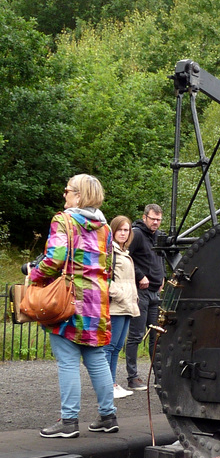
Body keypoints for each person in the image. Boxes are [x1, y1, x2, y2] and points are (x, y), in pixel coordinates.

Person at [29, 174, 118, 438]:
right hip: (97, 303)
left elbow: (55, 258)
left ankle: (68, 422)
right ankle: (108, 416)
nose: (64, 195)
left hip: (69, 301)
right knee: (97, 358)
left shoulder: (63, 220)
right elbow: (109, 267)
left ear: (78, 195)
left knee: (67, 362)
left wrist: (33, 275)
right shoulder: (106, 228)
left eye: (67, 190)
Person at [124, 203, 165, 391]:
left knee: (155, 335)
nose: (156, 222)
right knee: (136, 334)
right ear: (145, 217)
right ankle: (132, 377)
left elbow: (159, 258)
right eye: (153, 219)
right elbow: (126, 257)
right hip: (141, 291)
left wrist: (162, 275)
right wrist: (140, 275)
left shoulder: (158, 236)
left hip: (155, 291)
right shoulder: (137, 234)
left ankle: (158, 374)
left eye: (158, 219)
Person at [105, 216, 140, 399]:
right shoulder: (110, 252)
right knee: (110, 347)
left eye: (126, 230)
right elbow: (104, 278)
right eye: (120, 229)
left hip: (126, 304)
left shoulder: (124, 252)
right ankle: (107, 384)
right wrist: (118, 294)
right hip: (116, 305)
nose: (123, 233)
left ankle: (112, 383)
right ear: (113, 230)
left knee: (117, 347)